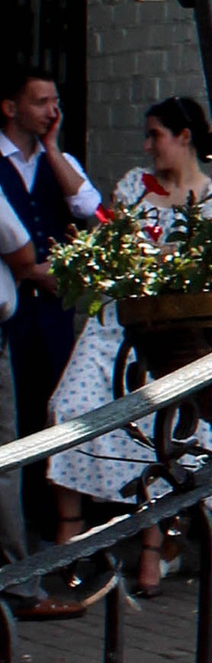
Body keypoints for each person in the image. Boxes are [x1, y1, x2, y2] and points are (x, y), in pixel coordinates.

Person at [46, 96, 212, 600]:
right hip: (117, 320)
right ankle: (71, 534)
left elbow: (210, 269)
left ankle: (151, 549)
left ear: (184, 137)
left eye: (156, 135)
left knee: (160, 425)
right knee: (70, 409)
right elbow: (116, 240)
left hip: (170, 331)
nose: (148, 146)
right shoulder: (135, 185)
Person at [0, 65, 105, 566]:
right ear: (11, 107)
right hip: (13, 308)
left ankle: (50, 520)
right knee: (14, 413)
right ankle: (17, 529)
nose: (50, 111)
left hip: (54, 312)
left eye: (55, 101)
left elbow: (88, 206)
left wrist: (54, 147)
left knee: (53, 407)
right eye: (40, 102)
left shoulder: (56, 160)